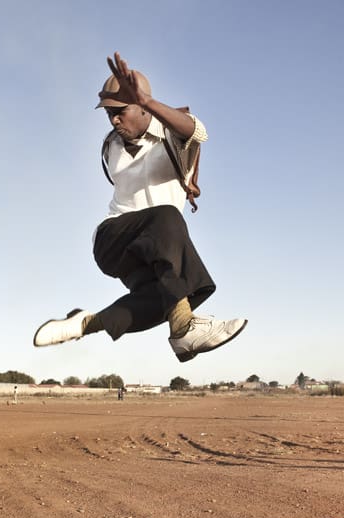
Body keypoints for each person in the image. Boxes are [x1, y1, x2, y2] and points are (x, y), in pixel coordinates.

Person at [33, 52, 246, 362]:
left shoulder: (172, 140)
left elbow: (197, 132)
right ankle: (184, 329)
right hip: (114, 241)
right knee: (166, 218)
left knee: (163, 300)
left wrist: (150, 103)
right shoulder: (111, 146)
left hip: (155, 251)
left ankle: (84, 323)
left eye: (121, 111)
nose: (114, 120)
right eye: (109, 114)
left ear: (143, 106)